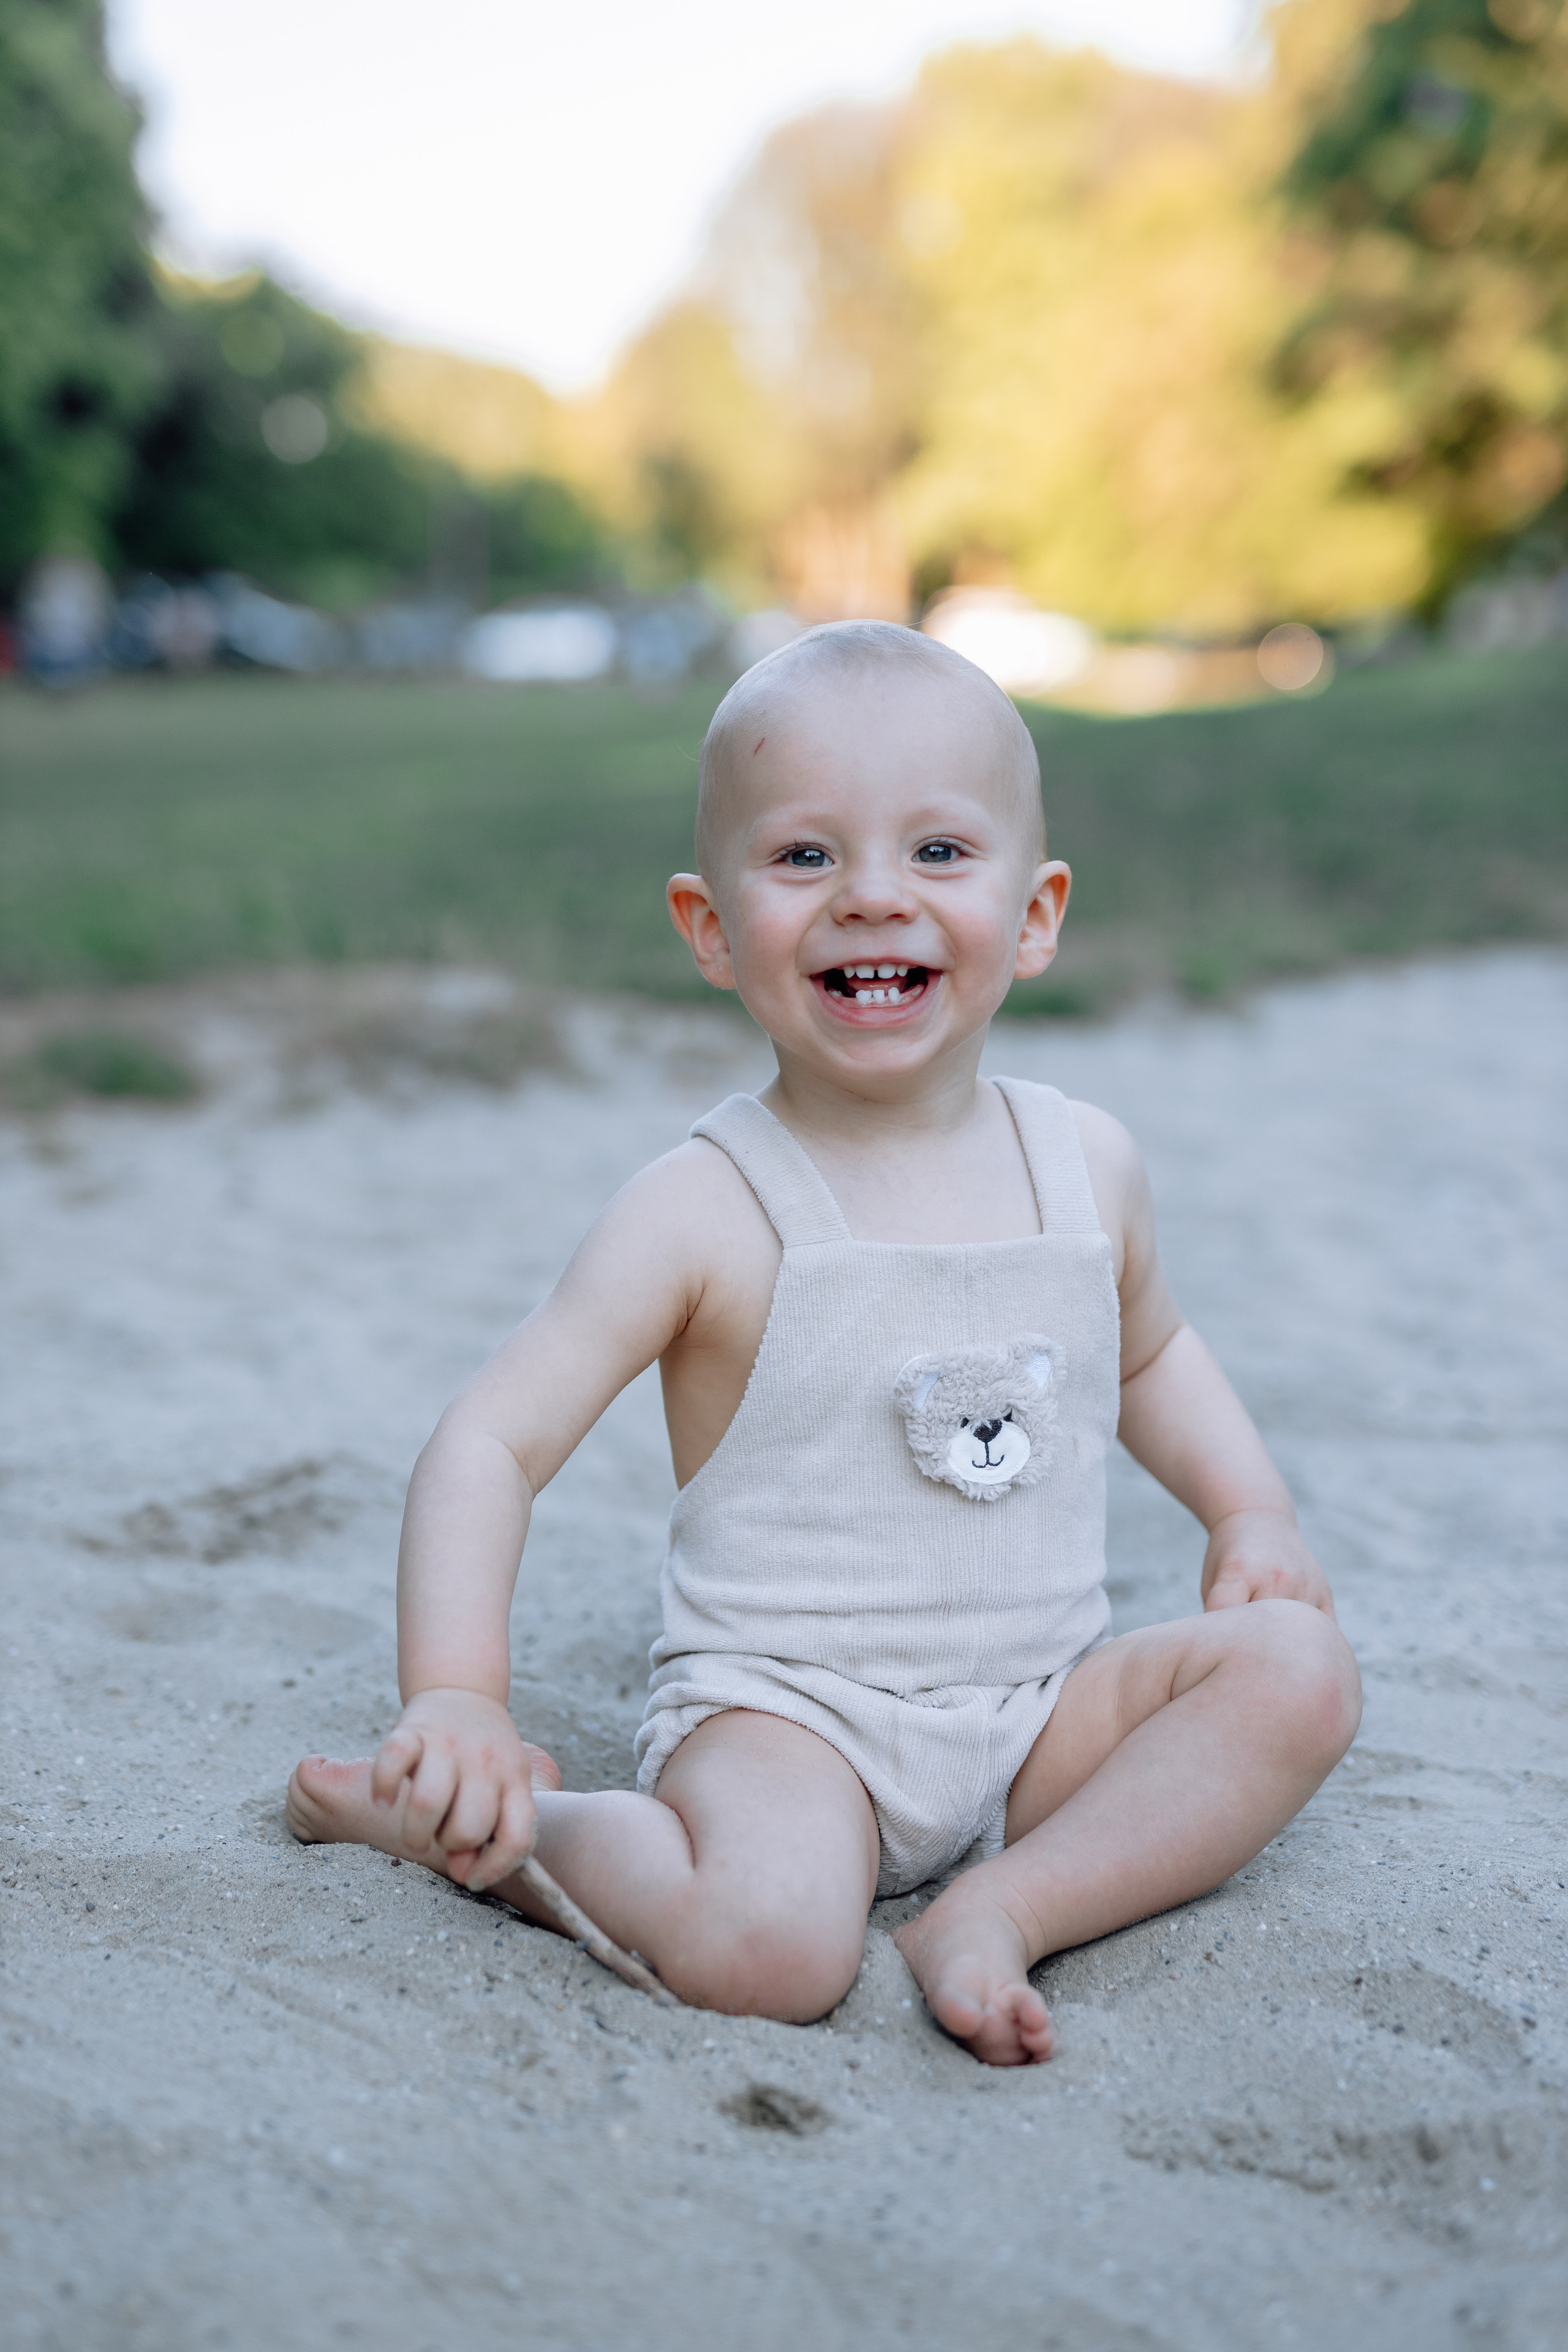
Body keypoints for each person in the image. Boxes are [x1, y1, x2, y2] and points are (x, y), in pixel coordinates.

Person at [288, 620, 1361, 2067]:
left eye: (936, 854)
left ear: (1034, 912)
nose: (870, 899)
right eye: (803, 858)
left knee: (1296, 1671)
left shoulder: (1083, 1163)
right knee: (769, 1950)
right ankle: (489, 1823)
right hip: (792, 1728)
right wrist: (459, 1698)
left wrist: (1248, 1511)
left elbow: (1151, 1354)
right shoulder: (705, 1208)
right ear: (710, 928)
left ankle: (1002, 1908)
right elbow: (490, 1441)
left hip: (1041, 1715)